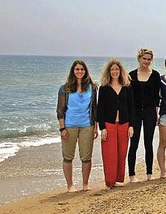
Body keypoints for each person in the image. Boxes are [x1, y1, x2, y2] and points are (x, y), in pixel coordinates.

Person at [56, 60, 98, 192]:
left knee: (86, 157)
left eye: (82, 69)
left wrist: (95, 127)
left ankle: (85, 184)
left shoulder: (92, 88)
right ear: (73, 71)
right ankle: (70, 186)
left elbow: (95, 109)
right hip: (69, 126)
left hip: (87, 126)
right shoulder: (65, 88)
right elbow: (60, 110)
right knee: (68, 157)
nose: (79, 71)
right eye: (77, 69)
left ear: (85, 71)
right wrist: (62, 128)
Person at [97, 59, 134, 188]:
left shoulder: (127, 88)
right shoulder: (104, 89)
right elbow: (100, 109)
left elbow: (132, 108)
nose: (114, 72)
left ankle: (119, 180)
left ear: (120, 71)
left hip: (124, 124)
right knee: (109, 154)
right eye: (112, 69)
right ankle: (110, 181)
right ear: (109, 72)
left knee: (122, 153)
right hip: (109, 124)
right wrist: (102, 128)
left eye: (116, 69)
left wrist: (131, 126)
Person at [128, 48, 161, 182]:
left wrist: (156, 113)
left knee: (149, 143)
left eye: (148, 59)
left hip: (150, 112)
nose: (146, 61)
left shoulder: (155, 75)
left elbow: (156, 96)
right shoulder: (131, 75)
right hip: (135, 113)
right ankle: (132, 175)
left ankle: (149, 174)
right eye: (144, 59)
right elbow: (128, 97)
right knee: (134, 143)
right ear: (139, 59)